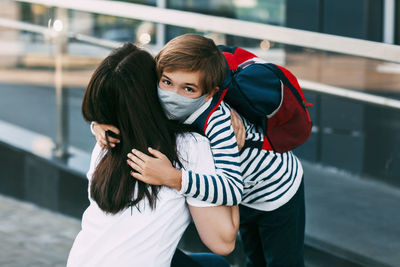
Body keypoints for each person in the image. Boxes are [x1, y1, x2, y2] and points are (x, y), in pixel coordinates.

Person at [94, 34, 305, 267]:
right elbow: (131, 110)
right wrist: (98, 124)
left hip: (276, 190)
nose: (174, 94)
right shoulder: (162, 97)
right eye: (167, 82)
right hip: (242, 193)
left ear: (210, 92)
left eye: (189, 88)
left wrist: (172, 177)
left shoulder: (218, 121)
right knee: (254, 259)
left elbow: (232, 188)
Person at [67, 43, 239, 267]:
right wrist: (229, 150)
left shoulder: (105, 142)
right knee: (218, 264)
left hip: (81, 260)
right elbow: (223, 243)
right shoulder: (190, 147)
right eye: (166, 82)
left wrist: (95, 124)